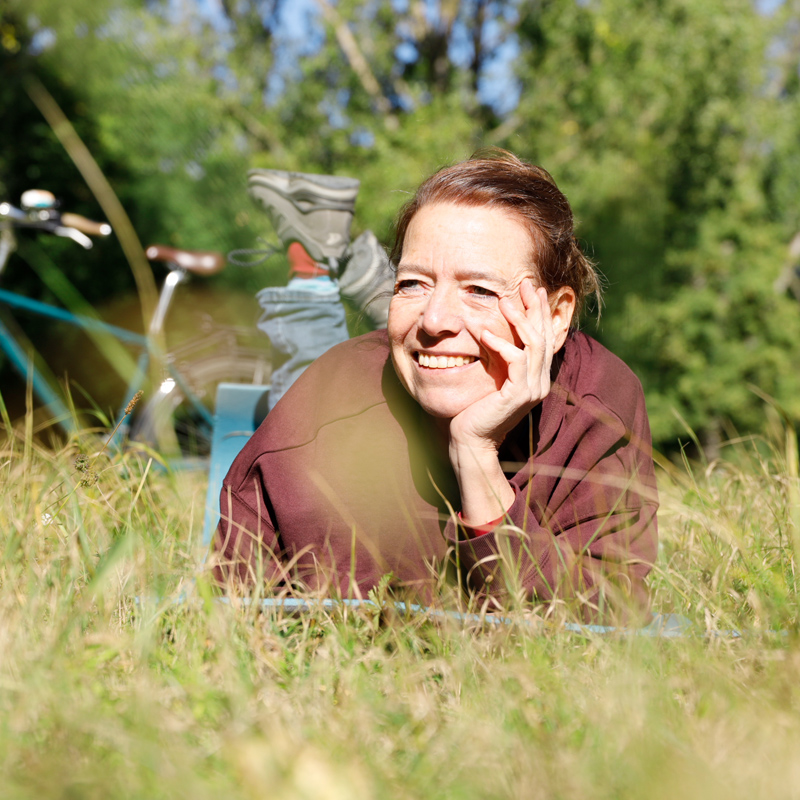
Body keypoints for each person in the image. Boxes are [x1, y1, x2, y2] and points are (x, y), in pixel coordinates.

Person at [214, 149, 659, 622]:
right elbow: (228, 627)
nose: (434, 320)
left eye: (480, 290)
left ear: (555, 316)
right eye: (412, 284)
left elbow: (608, 626)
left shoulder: (596, 408)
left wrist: (476, 457)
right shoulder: (326, 409)